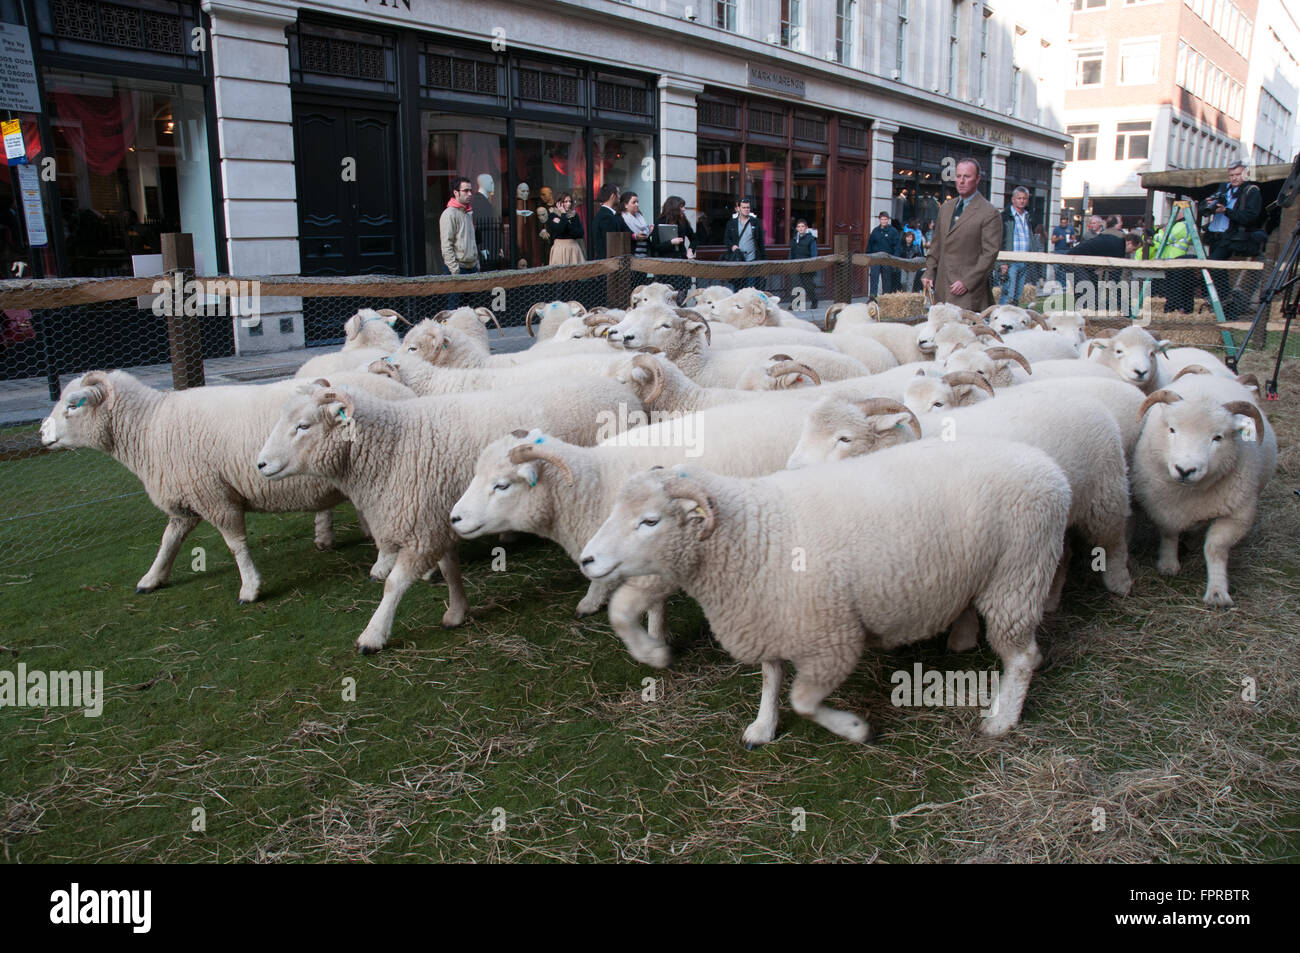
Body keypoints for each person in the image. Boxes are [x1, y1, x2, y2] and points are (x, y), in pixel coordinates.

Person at [922, 157, 1002, 311]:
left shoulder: (989, 212)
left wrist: (967, 282)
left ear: (977, 179)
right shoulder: (945, 208)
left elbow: (989, 254)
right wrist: (929, 271)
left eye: (967, 176)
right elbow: (936, 245)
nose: (961, 181)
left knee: (964, 326)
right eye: (958, 176)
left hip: (968, 292)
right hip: (942, 288)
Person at [1203, 160, 1264, 314]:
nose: (1234, 178)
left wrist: (1226, 211)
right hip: (1215, 235)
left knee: (1214, 264)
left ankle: (1225, 300)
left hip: (1231, 236)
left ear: (1246, 174)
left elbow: (1250, 217)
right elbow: (1204, 207)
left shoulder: (1251, 191)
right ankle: (1223, 305)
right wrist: (1207, 203)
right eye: (1231, 175)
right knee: (1213, 267)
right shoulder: (1224, 189)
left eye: (1238, 174)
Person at [652, 195, 697, 297]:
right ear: (674, 208)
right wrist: (671, 242)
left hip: (681, 261)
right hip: (665, 264)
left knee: (682, 293)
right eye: (681, 207)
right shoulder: (660, 222)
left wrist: (690, 250)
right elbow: (655, 245)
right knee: (666, 295)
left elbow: (694, 239)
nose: (684, 209)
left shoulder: (683, 221)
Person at [723, 196, 765, 290]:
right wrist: (732, 246)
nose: (746, 209)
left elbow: (760, 243)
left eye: (748, 207)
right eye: (744, 207)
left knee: (749, 288)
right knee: (735, 287)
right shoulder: (732, 223)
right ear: (739, 208)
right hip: (737, 261)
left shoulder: (755, 222)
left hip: (752, 260)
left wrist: (764, 261)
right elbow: (726, 239)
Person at [999, 186, 1033, 305]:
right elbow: (999, 239)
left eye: (1024, 198)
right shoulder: (1004, 216)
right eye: (1019, 198)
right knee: (1008, 293)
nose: (1022, 201)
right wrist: (1003, 261)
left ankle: (1013, 314)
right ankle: (1003, 314)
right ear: (1013, 199)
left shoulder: (1029, 216)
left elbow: (1031, 237)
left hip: (1025, 260)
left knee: (1018, 295)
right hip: (1011, 261)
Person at [440, 176, 478, 276]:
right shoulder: (449, 214)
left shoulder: (468, 212)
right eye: (466, 191)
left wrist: (476, 264)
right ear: (456, 192)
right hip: (459, 269)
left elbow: (472, 241)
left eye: (470, 190)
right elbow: (446, 245)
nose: (469, 194)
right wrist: (455, 270)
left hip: (472, 268)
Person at [867, 211, 901, 298]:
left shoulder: (893, 231)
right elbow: (870, 244)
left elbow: (897, 246)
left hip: (887, 259)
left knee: (886, 280)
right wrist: (868, 256)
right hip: (875, 259)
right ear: (879, 220)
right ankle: (872, 298)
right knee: (874, 278)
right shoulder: (875, 231)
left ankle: (886, 298)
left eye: (885, 219)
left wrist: (895, 258)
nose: (884, 221)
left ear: (888, 220)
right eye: (882, 219)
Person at [591, 183, 630, 259]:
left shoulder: (606, 214)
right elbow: (611, 244)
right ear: (613, 196)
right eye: (618, 193)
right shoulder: (606, 217)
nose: (619, 196)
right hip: (610, 261)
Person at [546, 192, 585, 265]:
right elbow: (559, 230)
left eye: (570, 201)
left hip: (573, 248)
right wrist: (563, 214)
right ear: (559, 203)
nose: (568, 204)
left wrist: (565, 224)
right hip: (560, 248)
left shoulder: (574, 215)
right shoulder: (553, 215)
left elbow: (580, 233)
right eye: (565, 201)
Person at [789, 218, 818, 307]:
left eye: (802, 226)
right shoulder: (794, 239)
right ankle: (795, 303)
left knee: (809, 285)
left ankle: (814, 301)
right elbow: (791, 252)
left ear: (806, 227)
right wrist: (789, 263)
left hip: (807, 266)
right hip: (795, 265)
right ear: (796, 228)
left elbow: (814, 253)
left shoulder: (811, 239)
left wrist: (812, 265)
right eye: (799, 226)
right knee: (795, 285)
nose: (801, 228)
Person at [620, 191, 651, 258]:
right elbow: (621, 237)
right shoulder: (621, 219)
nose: (637, 205)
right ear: (625, 205)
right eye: (634, 202)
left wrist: (649, 231)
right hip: (631, 257)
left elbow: (646, 235)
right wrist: (635, 236)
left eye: (637, 202)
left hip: (645, 256)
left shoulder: (640, 217)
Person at [898, 228, 924, 292]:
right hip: (904, 265)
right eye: (907, 237)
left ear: (913, 238)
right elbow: (899, 255)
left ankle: (909, 295)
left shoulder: (916, 247)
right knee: (903, 281)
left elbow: (920, 256)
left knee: (910, 283)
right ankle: (904, 292)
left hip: (912, 266)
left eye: (910, 237)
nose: (909, 239)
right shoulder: (902, 246)